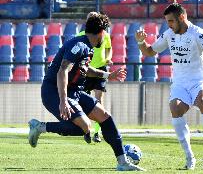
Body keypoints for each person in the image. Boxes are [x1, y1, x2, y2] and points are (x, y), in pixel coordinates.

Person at [28, 13, 145, 171]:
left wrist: (108, 75)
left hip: (73, 92)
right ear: (102, 32)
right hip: (54, 92)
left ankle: (122, 162)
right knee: (85, 127)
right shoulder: (79, 45)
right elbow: (62, 70)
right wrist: (63, 101)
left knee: (105, 117)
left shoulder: (87, 46)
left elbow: (84, 69)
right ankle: (40, 127)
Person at [135, 3, 203, 170]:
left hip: (200, 80)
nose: (169, 25)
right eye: (167, 21)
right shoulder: (169, 34)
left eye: (171, 21)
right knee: (175, 108)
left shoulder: (198, 33)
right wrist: (141, 41)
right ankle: (189, 158)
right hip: (180, 83)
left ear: (182, 17)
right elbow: (149, 52)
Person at [78, 11, 113, 143]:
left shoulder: (105, 35)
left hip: (101, 69)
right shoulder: (81, 36)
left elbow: (109, 48)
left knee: (98, 100)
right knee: (83, 102)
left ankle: (97, 132)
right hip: (86, 70)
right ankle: (86, 129)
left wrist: (108, 58)